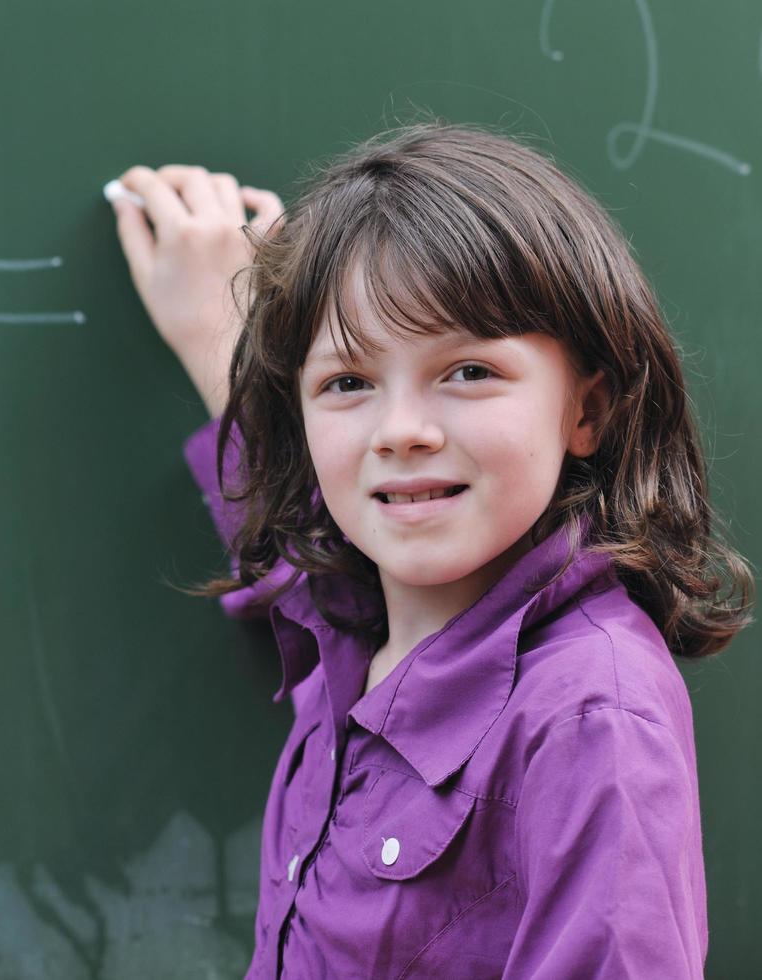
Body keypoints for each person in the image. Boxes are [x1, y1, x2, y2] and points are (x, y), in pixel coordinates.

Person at [108, 121, 754, 978]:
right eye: (348, 383)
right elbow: (300, 551)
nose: (402, 432)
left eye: (468, 372)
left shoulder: (591, 714)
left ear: (586, 411)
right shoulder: (355, 626)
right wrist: (215, 339)